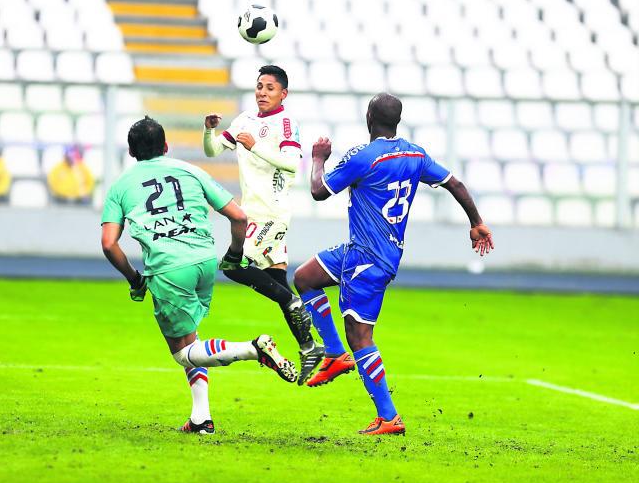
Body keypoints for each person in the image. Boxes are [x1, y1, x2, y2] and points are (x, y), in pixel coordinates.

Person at [293, 93, 495, 435]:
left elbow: (318, 191)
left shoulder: (363, 157)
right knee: (304, 278)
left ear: (369, 116)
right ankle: (334, 354)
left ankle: (388, 417)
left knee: (361, 337)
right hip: (362, 251)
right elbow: (454, 183)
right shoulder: (415, 154)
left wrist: (317, 158)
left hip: (368, 260)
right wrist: (475, 221)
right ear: (396, 121)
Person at [101, 116, 298, 435]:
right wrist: (234, 254)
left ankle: (254, 349)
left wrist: (134, 280)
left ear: (131, 152)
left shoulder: (121, 185)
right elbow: (238, 216)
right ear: (166, 146)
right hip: (205, 261)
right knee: (190, 336)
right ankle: (200, 418)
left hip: (168, 268)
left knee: (182, 352)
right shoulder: (190, 171)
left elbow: (109, 244)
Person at [202, 65, 324, 384]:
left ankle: (293, 305)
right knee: (276, 280)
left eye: (270, 88)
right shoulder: (244, 119)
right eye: (259, 86)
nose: (262, 92)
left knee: (231, 265)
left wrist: (256, 146)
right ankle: (309, 346)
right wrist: (208, 131)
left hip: (270, 212)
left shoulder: (286, 123)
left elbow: (292, 163)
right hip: (253, 209)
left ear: (283, 93)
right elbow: (213, 150)